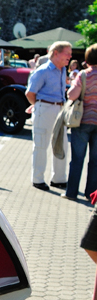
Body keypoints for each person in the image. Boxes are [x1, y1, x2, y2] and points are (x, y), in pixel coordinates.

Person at [25, 41, 72, 191]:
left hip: (60, 109)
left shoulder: (63, 70)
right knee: (41, 144)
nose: (70, 56)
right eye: (67, 53)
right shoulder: (42, 71)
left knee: (61, 144)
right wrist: (39, 105)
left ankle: (59, 178)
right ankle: (37, 179)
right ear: (55, 53)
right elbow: (30, 93)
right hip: (45, 108)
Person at [63, 44, 97, 201]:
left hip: (82, 121)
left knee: (77, 158)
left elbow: (72, 95)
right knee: (95, 161)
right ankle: (91, 194)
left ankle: (71, 192)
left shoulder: (84, 75)